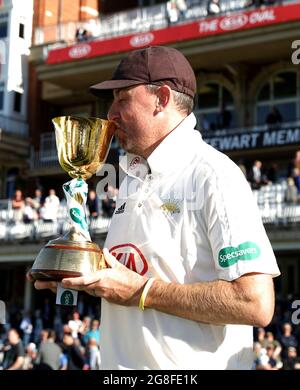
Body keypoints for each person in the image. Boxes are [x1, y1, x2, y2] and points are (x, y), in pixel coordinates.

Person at [31, 46, 280, 370]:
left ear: (161, 99)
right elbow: (132, 281)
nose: (111, 114)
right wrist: (82, 275)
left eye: (122, 99)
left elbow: (256, 303)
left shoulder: (214, 175)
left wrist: (141, 291)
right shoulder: (132, 177)